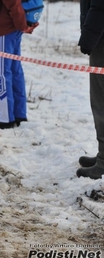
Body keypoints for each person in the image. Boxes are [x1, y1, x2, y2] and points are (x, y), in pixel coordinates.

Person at [0, 0, 38, 129]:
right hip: (11, 27)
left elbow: (13, 2)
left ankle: (6, 117)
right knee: (14, 70)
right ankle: (19, 114)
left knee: (2, 72)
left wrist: (22, 25)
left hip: (2, 28)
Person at [76, 0, 104, 180]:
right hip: (99, 33)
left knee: (101, 101)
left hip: (101, 37)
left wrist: (88, 38)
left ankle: (103, 161)